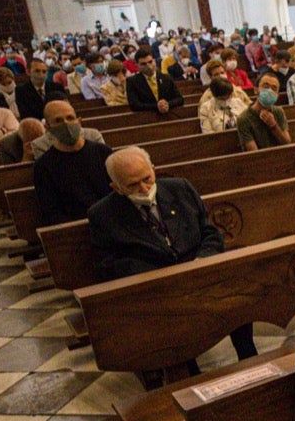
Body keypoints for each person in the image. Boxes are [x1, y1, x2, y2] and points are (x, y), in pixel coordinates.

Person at [87, 147, 256, 359]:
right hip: (155, 289)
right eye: (132, 185)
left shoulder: (180, 188)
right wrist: (158, 277)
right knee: (169, 322)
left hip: (200, 272)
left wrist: (203, 259)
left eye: (147, 179)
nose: (143, 188)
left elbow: (210, 232)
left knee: (238, 295)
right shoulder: (103, 214)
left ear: (154, 171)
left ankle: (248, 355)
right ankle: (186, 369)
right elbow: (108, 263)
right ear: (117, 187)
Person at [34, 100, 114, 226]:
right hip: (77, 227)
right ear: (48, 128)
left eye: (70, 118)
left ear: (79, 121)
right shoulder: (43, 166)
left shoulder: (102, 152)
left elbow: (118, 190)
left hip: (112, 221)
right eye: (58, 121)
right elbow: (50, 211)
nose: (66, 124)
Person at [236, 78, 292, 151]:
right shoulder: (243, 118)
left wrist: (274, 125)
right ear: (256, 90)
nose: (269, 91)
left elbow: (287, 143)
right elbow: (254, 152)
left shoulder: (278, 111)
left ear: (277, 96)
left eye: (274, 88)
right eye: (265, 86)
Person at [126, 48, 184, 113]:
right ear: (137, 65)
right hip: (146, 118)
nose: (148, 66)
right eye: (143, 64)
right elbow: (134, 105)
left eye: (150, 62)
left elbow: (180, 99)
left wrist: (168, 104)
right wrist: (156, 106)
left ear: (154, 61)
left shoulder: (166, 78)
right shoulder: (132, 82)